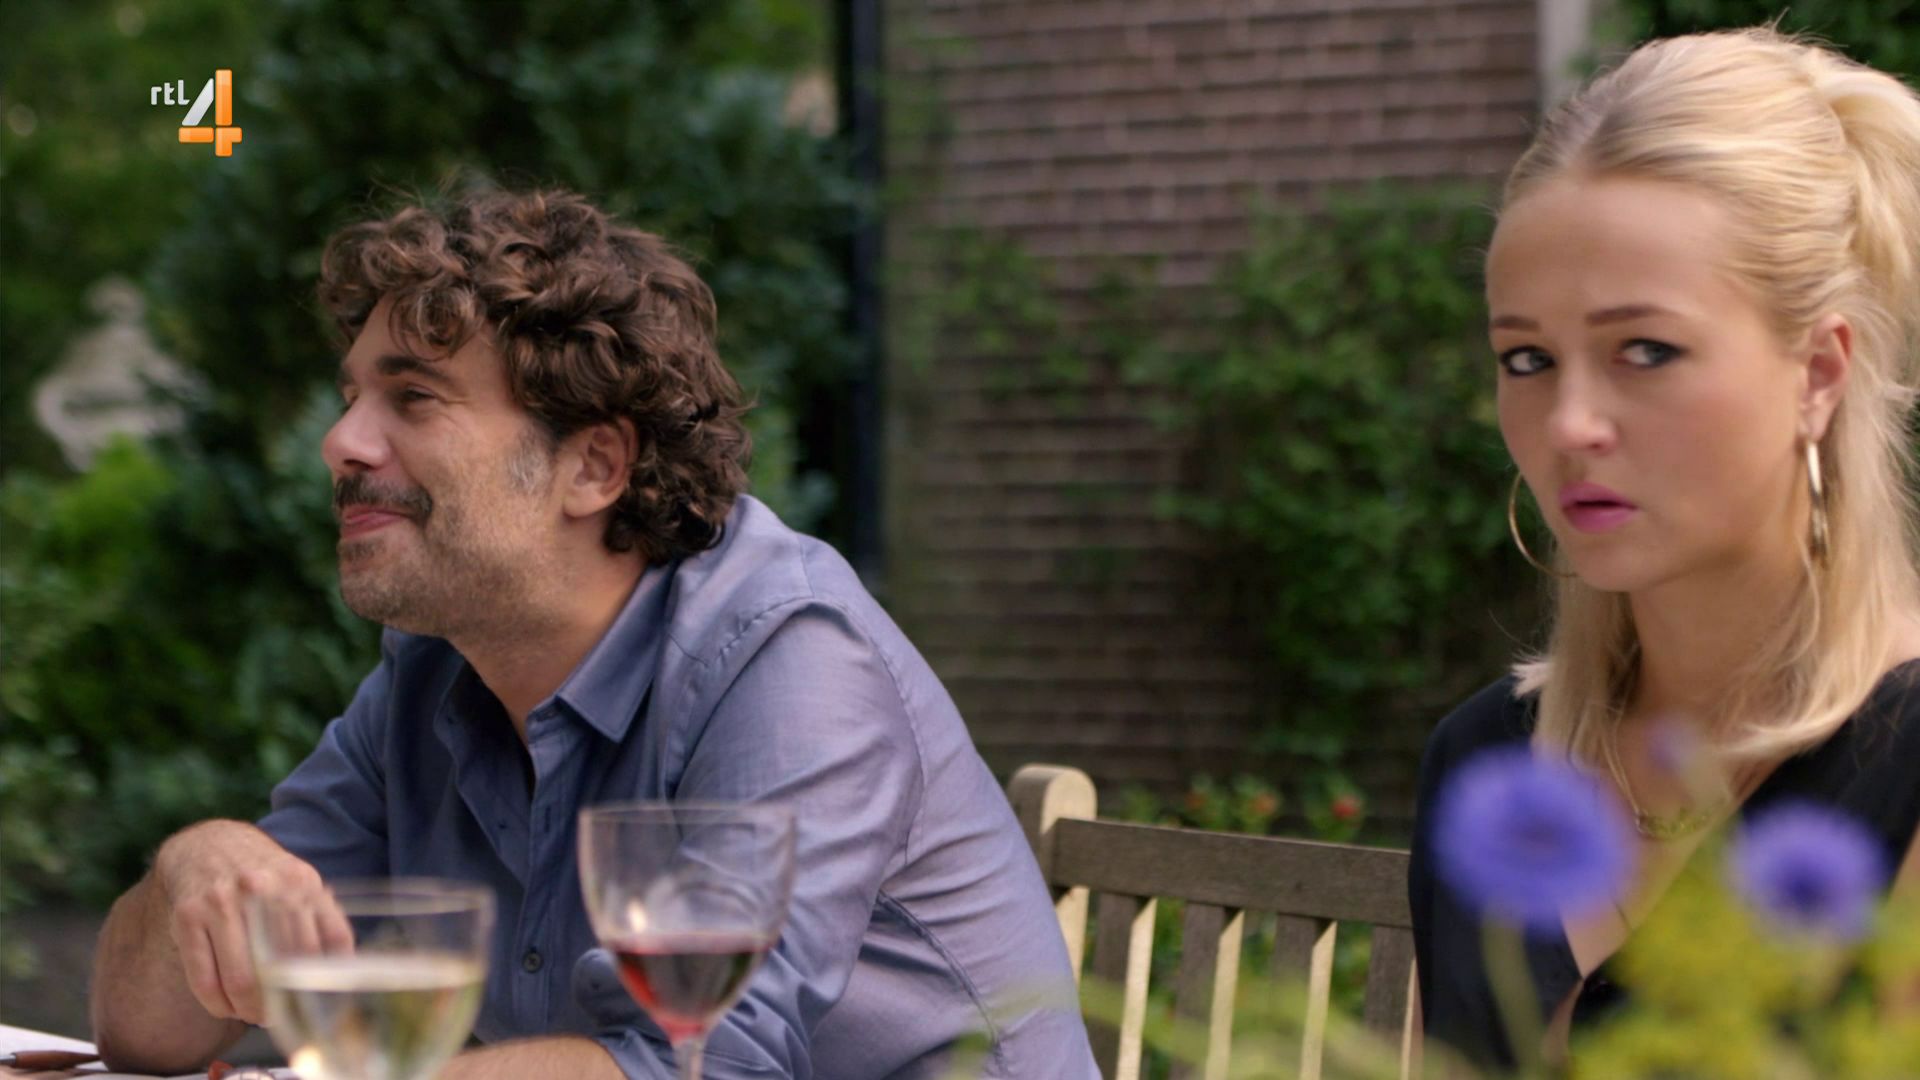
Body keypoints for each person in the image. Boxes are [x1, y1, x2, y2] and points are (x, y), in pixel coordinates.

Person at [88, 188, 1099, 1080]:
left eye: (414, 397)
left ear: (593, 467)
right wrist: (197, 869)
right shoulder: (436, 669)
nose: (340, 442)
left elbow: (710, 1065)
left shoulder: (788, 663)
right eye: (353, 397)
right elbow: (145, 1037)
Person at [1407, 26, 1920, 1071]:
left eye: (1646, 349)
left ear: (1818, 374)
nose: (1569, 424)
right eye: (1527, 358)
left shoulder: (1905, 768)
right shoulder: (1485, 764)